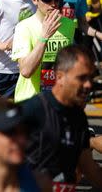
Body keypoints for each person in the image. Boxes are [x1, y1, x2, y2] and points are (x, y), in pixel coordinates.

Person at [21, 45, 102, 190]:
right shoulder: (34, 109)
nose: (89, 84)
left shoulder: (78, 116)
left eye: (90, 77)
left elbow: (88, 165)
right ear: (59, 77)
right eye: (82, 78)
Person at [11, 0, 76, 103]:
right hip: (31, 101)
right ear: (34, 0)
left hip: (59, 99)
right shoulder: (24, 27)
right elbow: (26, 71)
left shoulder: (69, 24)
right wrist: (44, 37)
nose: (54, 4)